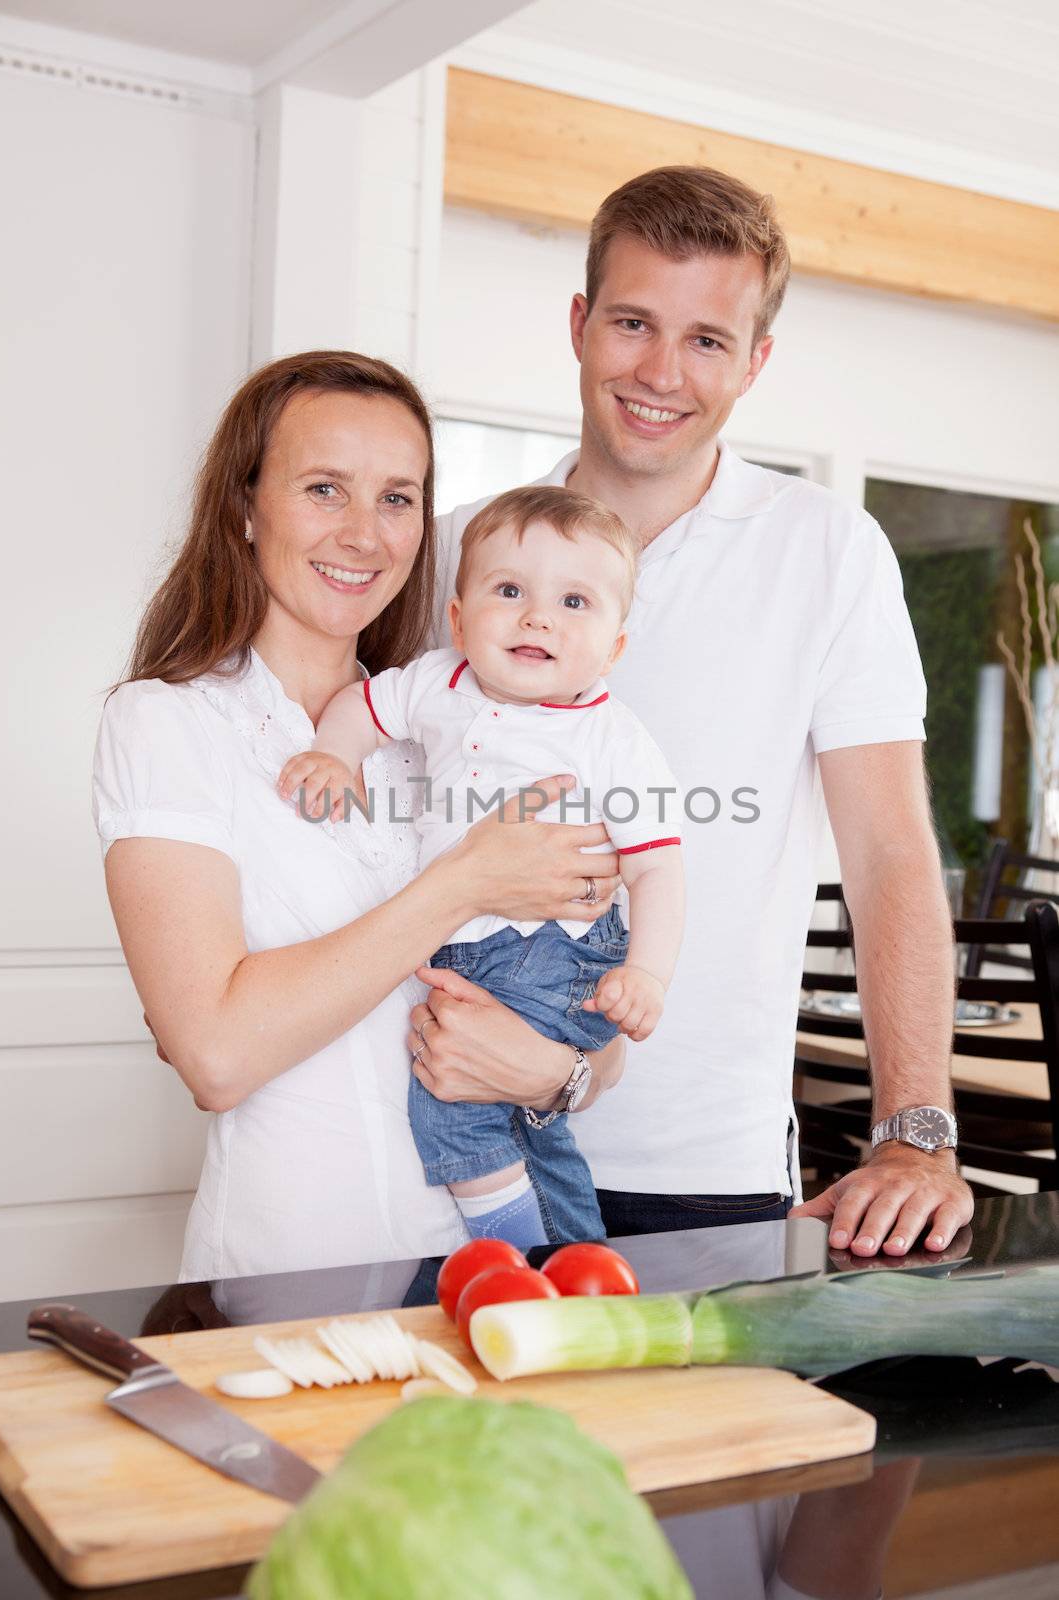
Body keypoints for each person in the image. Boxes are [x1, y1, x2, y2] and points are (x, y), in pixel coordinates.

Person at [416, 165, 974, 1258]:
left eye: (706, 340)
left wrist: (914, 1130)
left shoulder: (826, 550)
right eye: (631, 323)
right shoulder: (452, 546)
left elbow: (888, 852)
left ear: (754, 361)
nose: (660, 372)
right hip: (453, 1133)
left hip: (701, 1168)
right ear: (579, 326)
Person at [92, 351, 626, 1279]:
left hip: (489, 1270)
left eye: (397, 498)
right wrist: (464, 883)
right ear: (244, 505)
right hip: (290, 1276)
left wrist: (551, 1073)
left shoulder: (451, 732)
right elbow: (216, 1054)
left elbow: (594, 1016)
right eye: (325, 489)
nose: (366, 535)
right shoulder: (166, 723)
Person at [277, 484, 684, 1249]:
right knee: (498, 1112)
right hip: (458, 943)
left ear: (614, 646)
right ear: (459, 619)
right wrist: (334, 756)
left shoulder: (609, 737)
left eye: (574, 602)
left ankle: (532, 1256)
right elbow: (361, 711)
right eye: (508, 591)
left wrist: (648, 974)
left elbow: (657, 868)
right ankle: (566, 1265)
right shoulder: (437, 682)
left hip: (553, 949)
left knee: (452, 1103)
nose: (537, 617)